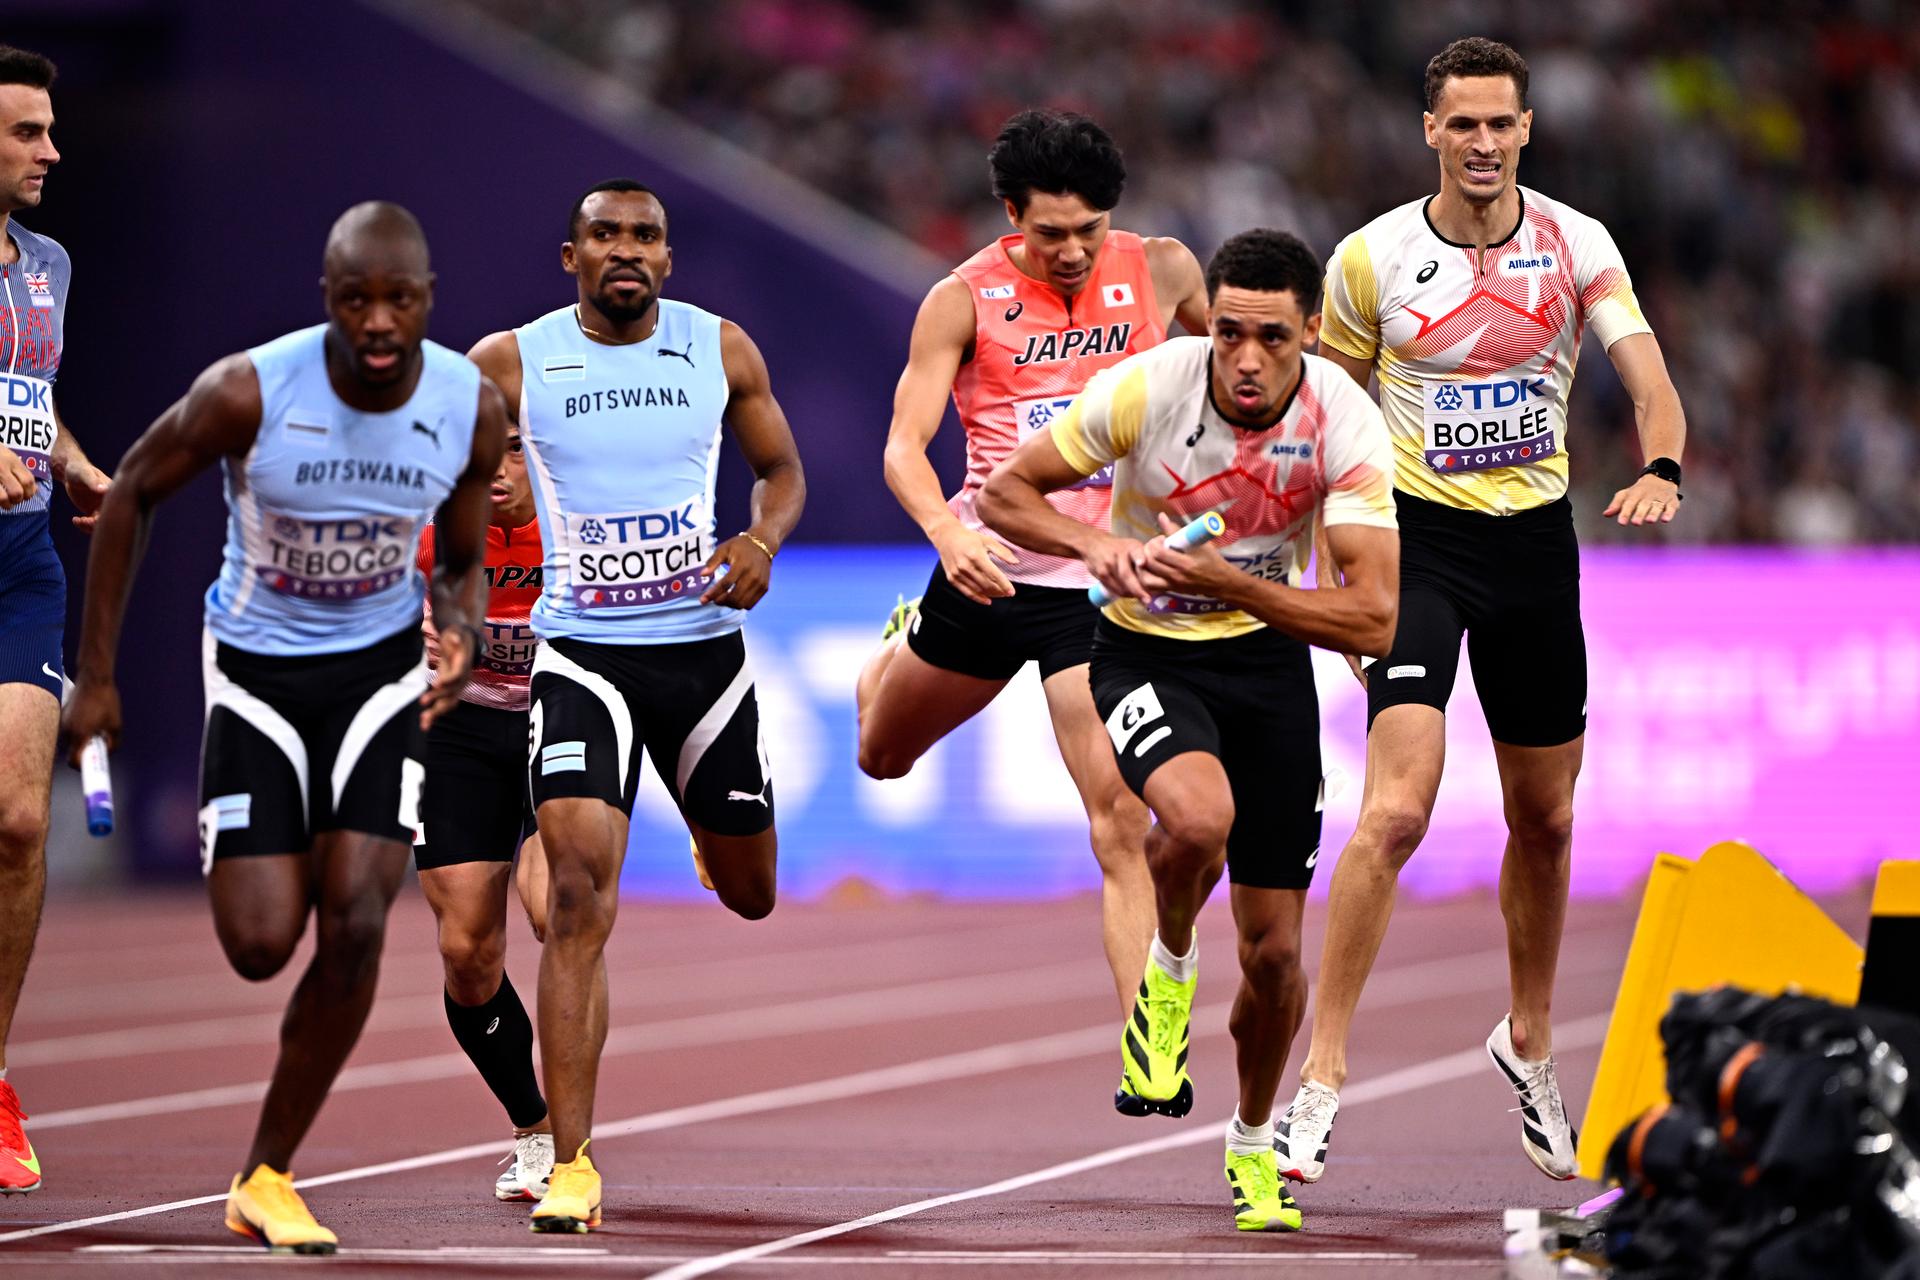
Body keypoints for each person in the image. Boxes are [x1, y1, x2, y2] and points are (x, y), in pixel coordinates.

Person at [1279, 36, 1688, 1186]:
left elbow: (1650, 376)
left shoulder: (1576, 243)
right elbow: (1327, 423)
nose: (1483, 144)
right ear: (1429, 131)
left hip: (1535, 547)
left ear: (1526, 131)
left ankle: (1529, 1041)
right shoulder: (1370, 260)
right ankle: (1322, 1075)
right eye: (1462, 124)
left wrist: (1662, 462)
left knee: (1546, 819)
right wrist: (1339, 572)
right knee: (1395, 812)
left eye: (1501, 124)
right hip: (1416, 547)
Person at [62, 202, 506, 1252]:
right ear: (329, 301)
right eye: (358, 300)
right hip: (259, 674)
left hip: (379, 678)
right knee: (264, 944)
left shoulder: (468, 405)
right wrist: (97, 677)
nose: (380, 321)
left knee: (357, 919)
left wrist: (460, 623)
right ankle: (295, 841)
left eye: (400, 299)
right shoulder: (249, 389)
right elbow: (130, 491)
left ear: (429, 300)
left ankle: (267, 1170)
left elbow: (459, 556)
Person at [980, 229, 1399, 1232]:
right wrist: (1099, 546)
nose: (1247, 359)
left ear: (1309, 335)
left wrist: (1228, 580)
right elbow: (1006, 492)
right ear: (1209, 322)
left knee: (1274, 959)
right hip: (1142, 652)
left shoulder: (1343, 418)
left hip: (1266, 666)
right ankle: (1167, 971)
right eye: (1230, 335)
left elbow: (1373, 615)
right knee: (1197, 820)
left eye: (1273, 340)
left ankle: (1252, 1138)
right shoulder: (1147, 388)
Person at [465, 178, 805, 1234]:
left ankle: (714, 833)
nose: (626, 250)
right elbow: (437, 476)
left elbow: (783, 471)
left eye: (645, 236)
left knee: (752, 890)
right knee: (575, 896)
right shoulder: (509, 361)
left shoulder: (721, 348)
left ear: (669, 256)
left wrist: (758, 539)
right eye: (604, 235)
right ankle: (574, 1159)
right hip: (579, 654)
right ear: (569, 256)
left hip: (700, 655)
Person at [856, 109, 1208, 1029]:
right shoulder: (960, 299)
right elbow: (902, 447)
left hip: (1095, 589)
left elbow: (1242, 371)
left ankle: (1150, 1042)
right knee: (882, 756)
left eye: (1089, 231)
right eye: (1048, 233)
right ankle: (891, 651)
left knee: (1120, 821)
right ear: (1011, 214)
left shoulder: (1163, 268)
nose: (1072, 252)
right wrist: (946, 532)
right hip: (989, 569)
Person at [0, 43, 111, 1197]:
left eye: (50, 129)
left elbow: (27, 392)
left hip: (21, 561)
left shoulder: (50, 264)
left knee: (22, 822)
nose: (51, 151)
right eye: (27, 132)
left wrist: (69, 460)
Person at [412, 422, 556, 1203]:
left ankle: (580, 1139)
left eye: (510, 447)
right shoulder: (427, 530)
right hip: (458, 730)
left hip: (558, 720)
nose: (494, 470)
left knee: (553, 913)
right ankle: (534, 1128)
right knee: (467, 950)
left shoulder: (575, 527)